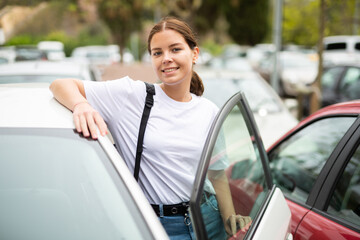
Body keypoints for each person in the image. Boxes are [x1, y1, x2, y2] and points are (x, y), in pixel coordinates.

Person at [50, 16, 249, 239]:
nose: (166, 58)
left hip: (208, 220)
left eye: (175, 49)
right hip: (160, 226)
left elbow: (217, 174)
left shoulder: (209, 110)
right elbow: (60, 85)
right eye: (157, 53)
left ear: (194, 54)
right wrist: (81, 105)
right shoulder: (131, 96)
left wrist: (229, 218)